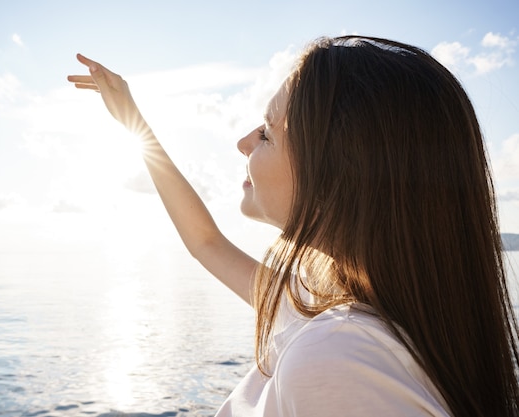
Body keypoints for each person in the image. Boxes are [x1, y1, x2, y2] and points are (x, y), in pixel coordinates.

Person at [67, 36, 519, 416]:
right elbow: (206, 242)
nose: (243, 141)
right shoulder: (331, 312)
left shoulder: (336, 357)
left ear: (337, 174)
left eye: (266, 133)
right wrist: (133, 121)